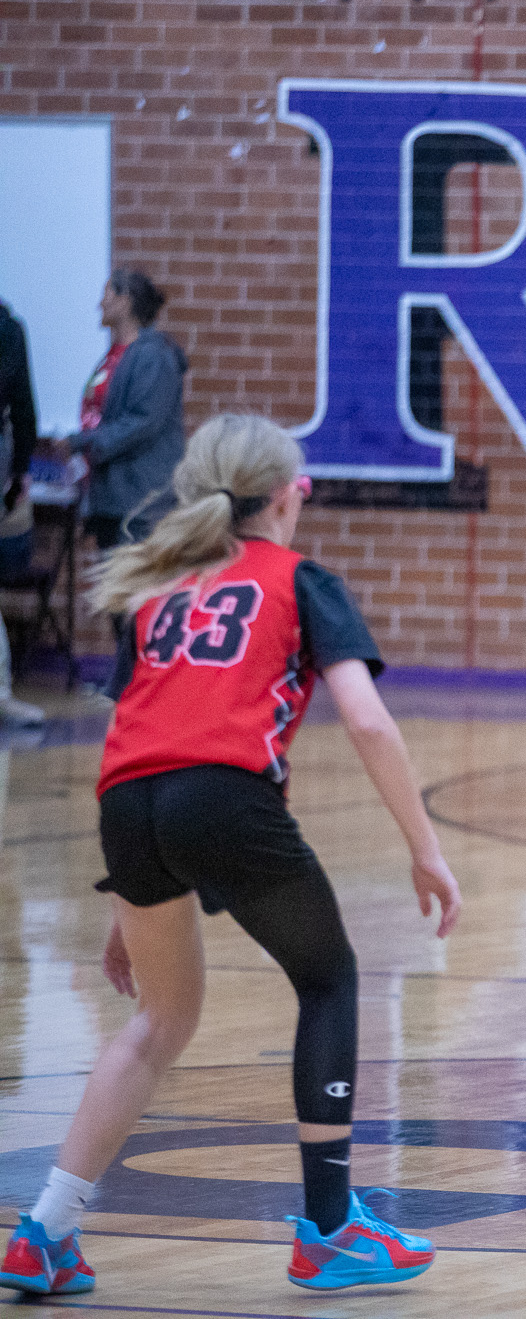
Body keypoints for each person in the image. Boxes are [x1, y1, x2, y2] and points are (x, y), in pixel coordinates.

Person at [0, 414, 462, 1297]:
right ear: (289, 497)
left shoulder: (156, 589)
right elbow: (367, 719)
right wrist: (425, 849)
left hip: (126, 808)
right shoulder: (300, 580)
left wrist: (124, 900)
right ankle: (329, 1227)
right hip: (223, 795)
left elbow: (138, 732)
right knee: (327, 976)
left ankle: (42, 1231)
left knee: (160, 1021)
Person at [66, 268, 186, 549]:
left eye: (106, 295)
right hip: (112, 499)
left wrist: (81, 443)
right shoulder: (116, 356)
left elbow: (142, 423)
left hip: (140, 503)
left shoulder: (153, 356)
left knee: (134, 590)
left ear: (125, 301)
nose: (100, 304)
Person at [0, 299, 45, 725]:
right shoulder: (9, 325)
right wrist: (17, 474)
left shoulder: (8, 327)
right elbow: (24, 407)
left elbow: (24, 408)